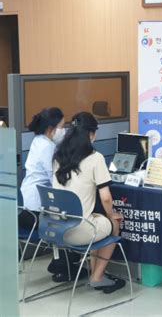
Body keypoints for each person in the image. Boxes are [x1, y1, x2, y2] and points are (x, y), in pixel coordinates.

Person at [53, 112, 125, 293]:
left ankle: (94, 270)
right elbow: (106, 197)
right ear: (91, 134)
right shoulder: (95, 158)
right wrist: (111, 215)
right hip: (79, 231)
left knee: (98, 219)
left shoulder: (58, 156)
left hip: (56, 229)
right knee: (113, 222)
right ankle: (97, 277)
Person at [18, 107, 82, 282]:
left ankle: (63, 262)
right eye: (62, 126)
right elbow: (54, 178)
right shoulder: (47, 147)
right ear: (51, 128)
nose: (64, 130)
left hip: (28, 208)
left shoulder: (38, 141)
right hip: (37, 211)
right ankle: (63, 265)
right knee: (68, 218)